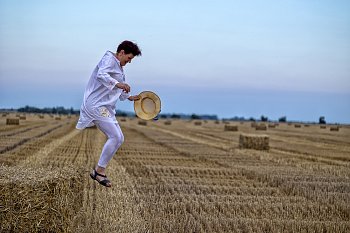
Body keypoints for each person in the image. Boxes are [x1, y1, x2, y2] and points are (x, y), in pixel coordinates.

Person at [76, 40, 142, 187]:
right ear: (122, 52)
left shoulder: (118, 67)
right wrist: (118, 84)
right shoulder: (109, 59)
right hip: (95, 105)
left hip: (104, 107)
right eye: (129, 58)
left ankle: (98, 171)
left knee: (119, 138)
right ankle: (99, 172)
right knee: (116, 136)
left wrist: (130, 97)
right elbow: (101, 74)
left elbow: (118, 90)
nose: (129, 62)